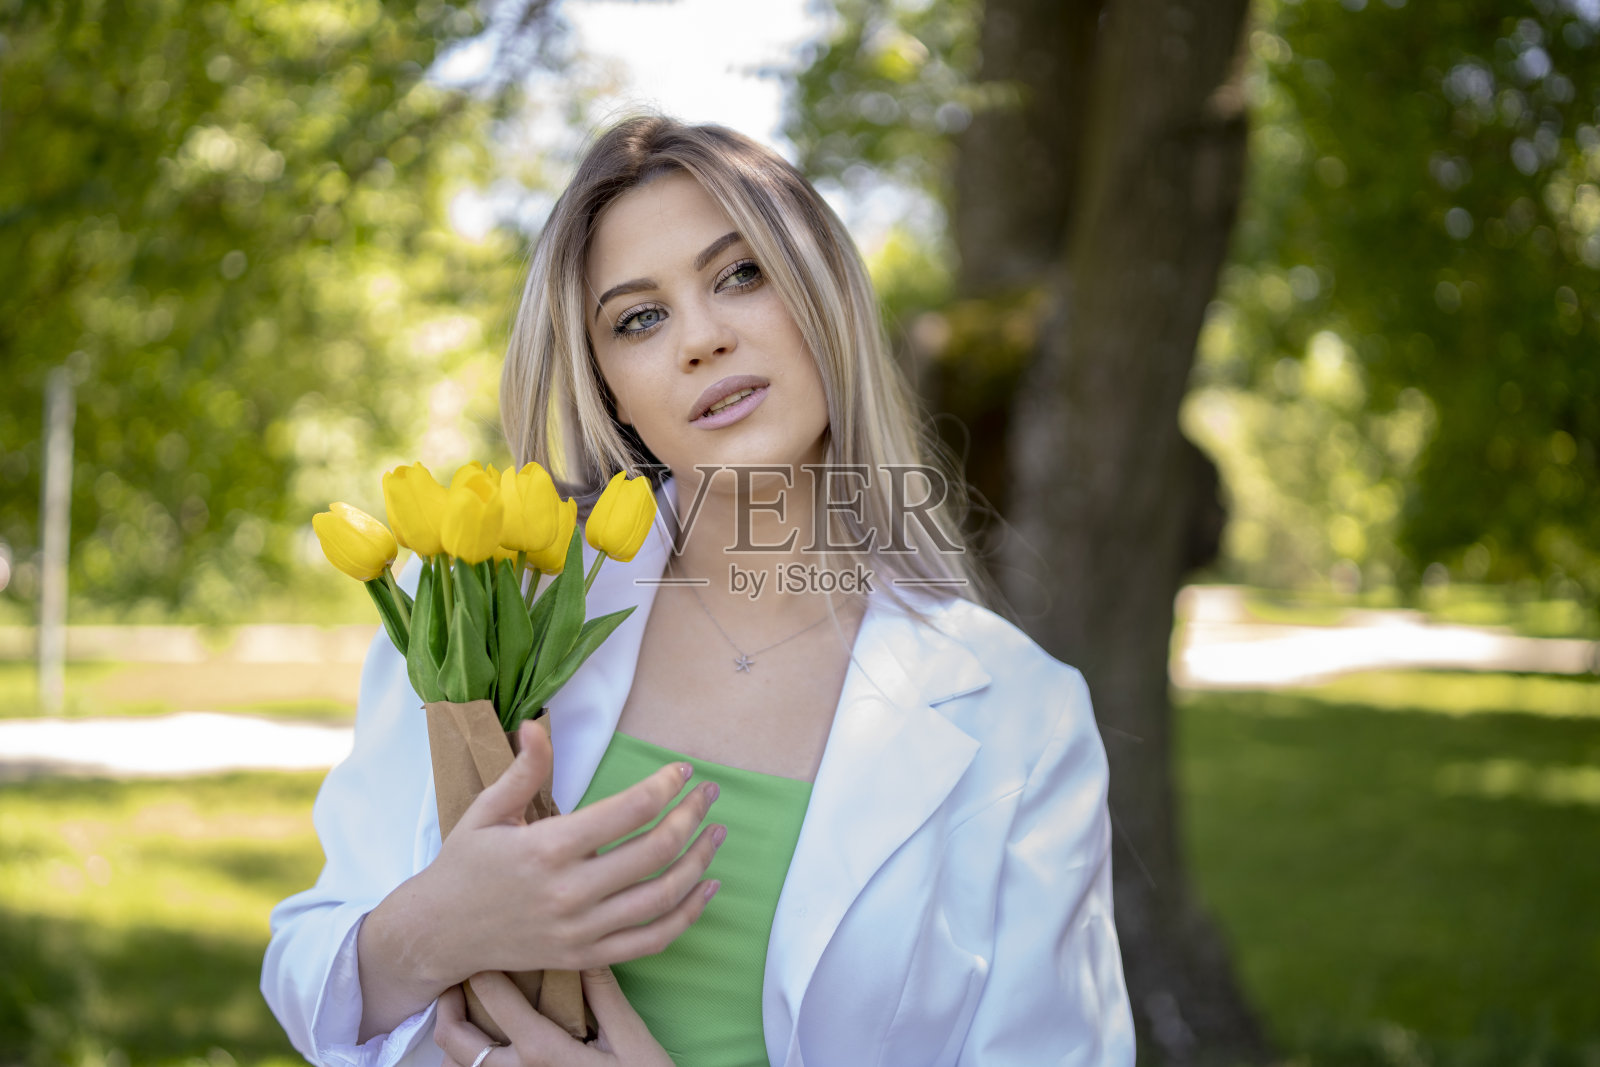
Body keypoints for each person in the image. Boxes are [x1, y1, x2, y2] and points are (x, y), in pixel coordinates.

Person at [262, 113, 1134, 1067]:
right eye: (639, 319)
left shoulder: (1024, 712)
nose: (702, 339)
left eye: (741, 273)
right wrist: (438, 925)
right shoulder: (488, 596)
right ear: (610, 388)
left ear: (825, 296)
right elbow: (308, 968)